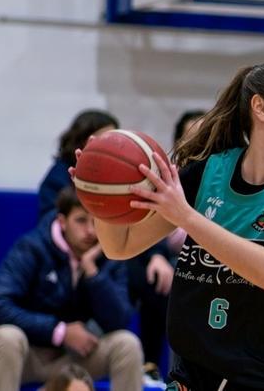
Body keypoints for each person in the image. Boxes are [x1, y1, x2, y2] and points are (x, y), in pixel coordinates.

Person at [91, 61, 264, 390]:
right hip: (192, 375)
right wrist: (100, 196)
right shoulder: (208, 173)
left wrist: (187, 217)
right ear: (260, 107)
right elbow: (119, 246)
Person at [37, 110, 173, 382]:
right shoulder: (57, 178)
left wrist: (157, 255)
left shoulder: (126, 171)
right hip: (69, 257)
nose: (111, 142)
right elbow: (54, 226)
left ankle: (149, 365)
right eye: (103, 137)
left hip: (108, 252)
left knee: (156, 282)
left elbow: (143, 215)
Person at [0, 187, 142, 390]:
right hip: (21, 354)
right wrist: (59, 331)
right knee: (7, 337)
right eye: (81, 220)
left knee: (127, 344)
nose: (90, 231)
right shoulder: (32, 247)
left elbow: (120, 320)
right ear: (62, 221)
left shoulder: (109, 256)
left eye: (96, 222)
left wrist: (93, 274)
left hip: (70, 359)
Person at [37, 110, 119, 217]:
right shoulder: (56, 179)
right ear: (81, 142)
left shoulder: (119, 172)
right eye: (104, 140)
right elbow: (50, 222)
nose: (110, 146)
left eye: (114, 140)